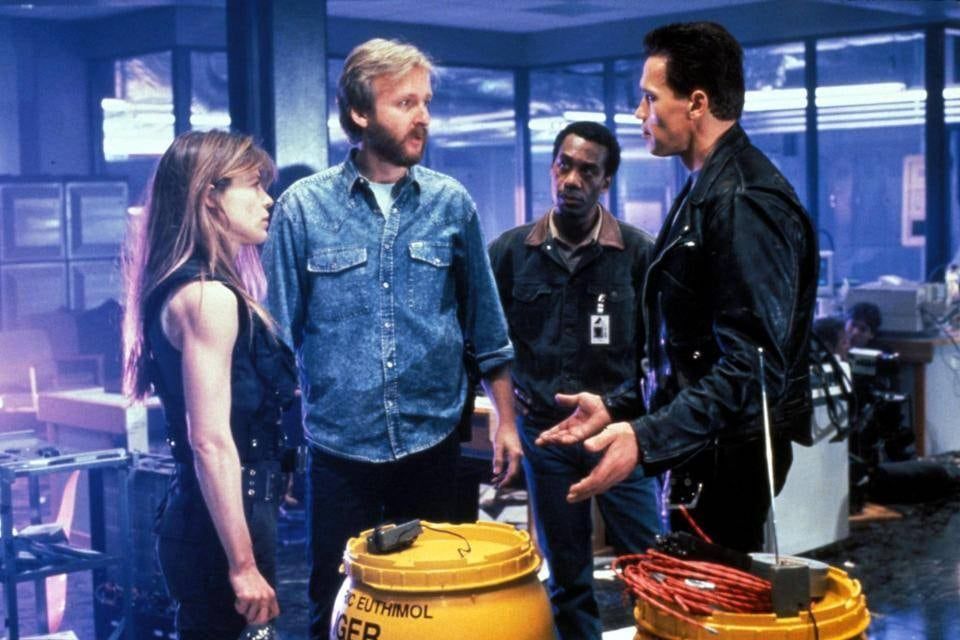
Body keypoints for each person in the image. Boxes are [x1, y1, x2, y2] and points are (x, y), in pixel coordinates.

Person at [262, 38, 522, 638]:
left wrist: (506, 423)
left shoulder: (450, 204)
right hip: (339, 448)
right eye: (405, 103)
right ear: (360, 112)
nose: (423, 116)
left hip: (433, 440)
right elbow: (275, 343)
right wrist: (280, 451)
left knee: (436, 607)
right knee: (335, 603)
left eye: (426, 102)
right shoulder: (303, 209)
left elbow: (487, 327)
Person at [538, 21, 818, 553]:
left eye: (649, 98)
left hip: (724, 462)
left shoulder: (743, 200)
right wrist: (621, 406)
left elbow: (751, 368)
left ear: (696, 103)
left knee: (714, 601)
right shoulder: (707, 188)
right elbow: (695, 353)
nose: (639, 114)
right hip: (701, 453)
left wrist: (644, 437)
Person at [489, 121, 661, 639]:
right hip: (547, 436)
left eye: (588, 171)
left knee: (650, 568)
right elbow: (489, 345)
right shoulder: (510, 253)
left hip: (618, 433)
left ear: (606, 181)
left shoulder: (638, 254)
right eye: (565, 166)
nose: (572, 180)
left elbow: (658, 356)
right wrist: (505, 420)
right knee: (567, 577)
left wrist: (632, 411)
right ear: (552, 167)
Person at [123, 130, 297, 639]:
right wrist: (242, 565)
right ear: (210, 196)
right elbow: (210, 441)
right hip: (218, 528)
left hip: (222, 515)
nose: (267, 200)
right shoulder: (207, 297)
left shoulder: (195, 288)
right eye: (254, 185)